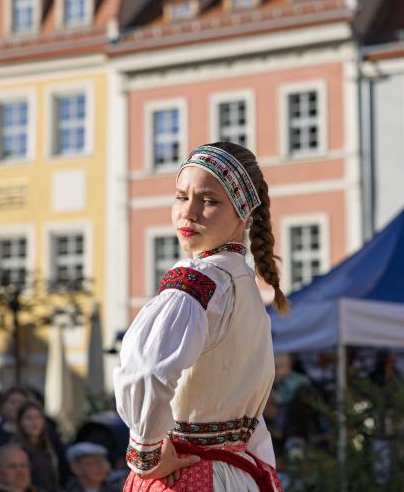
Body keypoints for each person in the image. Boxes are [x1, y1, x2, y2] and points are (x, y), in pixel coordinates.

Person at [114, 142, 287, 491]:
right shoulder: (247, 289)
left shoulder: (199, 281)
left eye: (208, 201)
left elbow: (146, 370)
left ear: (243, 213)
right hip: (239, 476)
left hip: (185, 474)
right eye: (181, 196)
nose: (188, 212)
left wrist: (145, 454)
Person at [13, 402, 57, 491]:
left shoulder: (48, 448)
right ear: (20, 422)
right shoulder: (16, 451)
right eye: (29, 418)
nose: (34, 422)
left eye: (38, 417)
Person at [0, 388, 29, 455]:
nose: (17, 406)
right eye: (12, 402)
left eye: (21, 403)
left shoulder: (35, 432)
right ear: (4, 405)